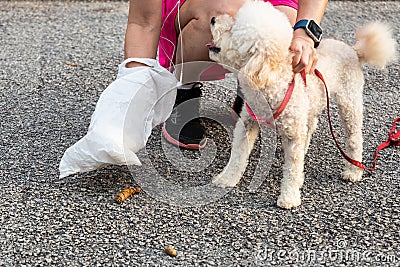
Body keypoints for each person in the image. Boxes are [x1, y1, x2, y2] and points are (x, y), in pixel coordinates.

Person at [124, 0, 328, 149]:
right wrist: (130, 96)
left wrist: (304, 33)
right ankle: (185, 93)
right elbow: (142, 23)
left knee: (285, 23)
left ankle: (252, 84)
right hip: (199, 7)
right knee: (220, 10)